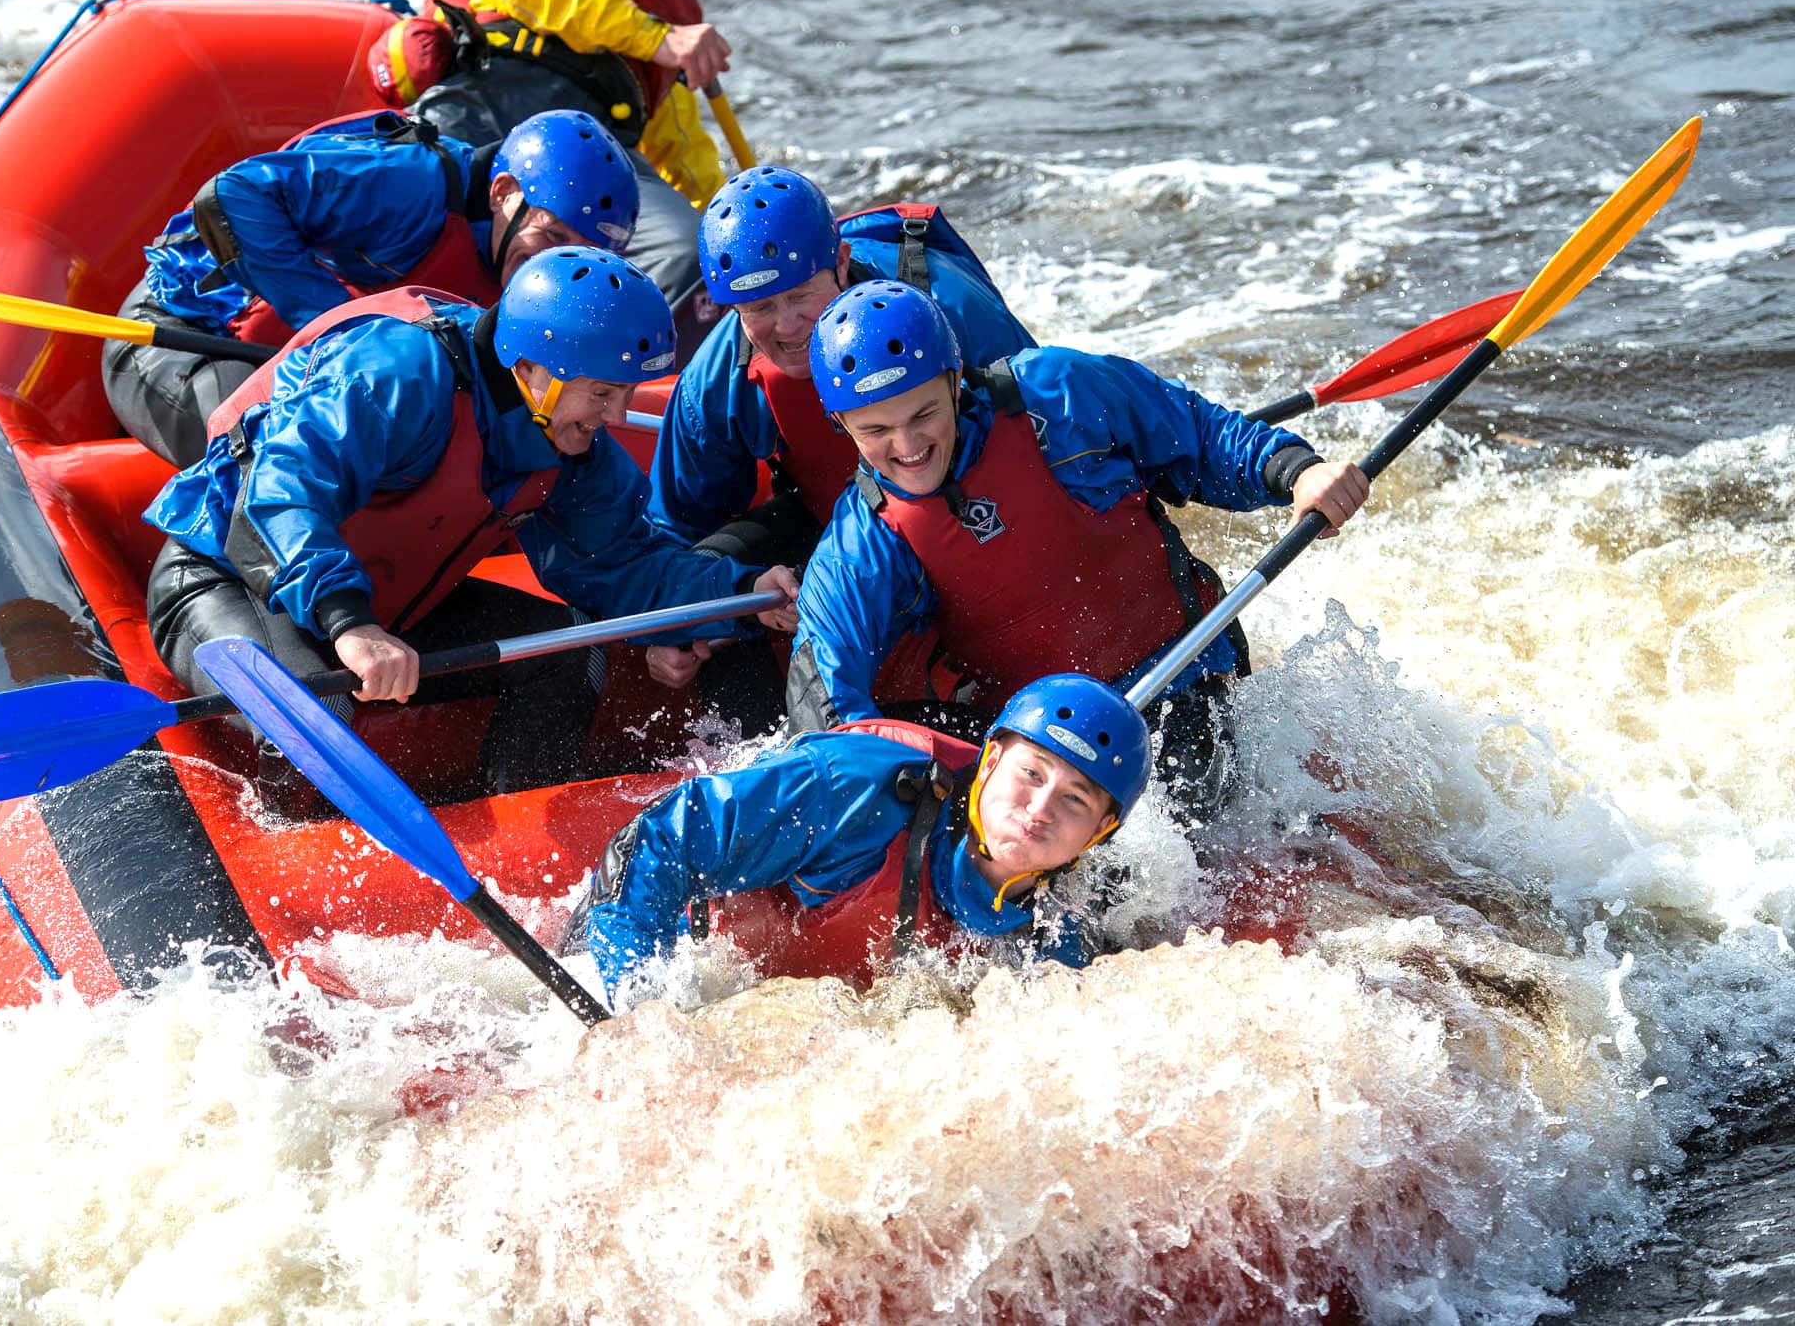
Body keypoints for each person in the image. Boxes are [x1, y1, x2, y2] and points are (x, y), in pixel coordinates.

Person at [142, 246, 797, 797]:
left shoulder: (570, 448)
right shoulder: (403, 373)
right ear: (532, 370)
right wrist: (350, 623)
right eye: (603, 392)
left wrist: (744, 591)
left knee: (570, 649)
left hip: (385, 605)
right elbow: (279, 491)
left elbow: (628, 565)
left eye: (622, 394)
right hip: (225, 578)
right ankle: (308, 872)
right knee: (311, 723)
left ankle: (521, 846)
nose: (617, 415)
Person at [788, 281, 1371, 822]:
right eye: (877, 431)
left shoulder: (1058, 394)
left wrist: (1297, 472)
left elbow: (1201, 435)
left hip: (1182, 681)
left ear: (954, 377)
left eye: (923, 414)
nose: (909, 446)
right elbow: (827, 701)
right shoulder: (862, 542)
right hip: (1043, 755)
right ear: (840, 423)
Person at [640, 165, 1038, 732]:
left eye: (801, 295)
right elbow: (672, 532)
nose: (787, 326)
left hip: (972, 509)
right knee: (709, 584)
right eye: (758, 310)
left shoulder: (947, 310)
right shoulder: (719, 382)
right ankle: (757, 755)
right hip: (834, 521)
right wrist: (671, 628)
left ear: (843, 264)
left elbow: (1053, 445)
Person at [569, 672, 1149, 1006]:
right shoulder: (854, 791)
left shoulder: (1058, 929)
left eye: (1075, 799)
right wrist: (638, 1015)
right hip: (649, 937)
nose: (1040, 809)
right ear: (992, 761)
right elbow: (656, 842)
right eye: (1031, 772)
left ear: (1100, 832)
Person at [104, 108, 639, 467]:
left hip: (289, 366)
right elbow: (231, 197)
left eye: (574, 252)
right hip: (180, 336)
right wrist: (347, 331)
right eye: (549, 235)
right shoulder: (409, 185)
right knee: (282, 459)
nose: (550, 264)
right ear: (503, 194)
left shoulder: (524, 266)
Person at [413, 0, 730, 350]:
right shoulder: (657, 33)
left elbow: (680, 139)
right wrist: (654, 37)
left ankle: (625, 384)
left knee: (687, 251)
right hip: (479, 104)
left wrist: (728, 229)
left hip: (597, 148)